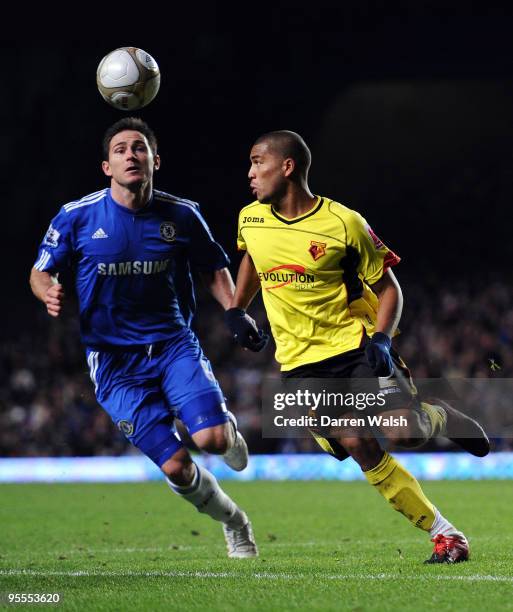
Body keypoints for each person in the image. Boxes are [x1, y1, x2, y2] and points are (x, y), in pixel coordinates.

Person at [225, 129, 490, 564]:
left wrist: (383, 339)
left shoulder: (344, 223)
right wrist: (238, 308)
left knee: (403, 432)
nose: (250, 173)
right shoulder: (250, 218)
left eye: (258, 162)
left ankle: (439, 417)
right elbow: (253, 256)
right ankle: (446, 534)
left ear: (287, 167)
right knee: (355, 442)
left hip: (354, 346)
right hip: (300, 365)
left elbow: (390, 289)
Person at [30, 117, 258, 558]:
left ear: (156, 160)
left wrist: (234, 311)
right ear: (106, 166)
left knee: (212, 441)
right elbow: (40, 271)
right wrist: (47, 292)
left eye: (139, 147)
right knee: (176, 466)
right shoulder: (77, 217)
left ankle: (226, 432)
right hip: (114, 362)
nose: (130, 155)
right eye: (120, 149)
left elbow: (213, 267)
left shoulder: (182, 214)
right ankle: (235, 522)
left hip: (172, 345)